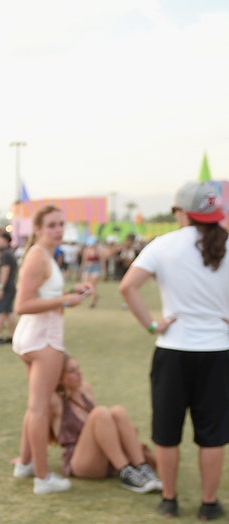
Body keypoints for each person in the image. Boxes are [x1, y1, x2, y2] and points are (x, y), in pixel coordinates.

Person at [119, 181, 228, 520]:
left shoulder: (163, 245)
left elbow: (127, 287)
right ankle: (209, 504)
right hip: (219, 351)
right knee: (213, 435)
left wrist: (152, 325)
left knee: (167, 431)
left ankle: (169, 499)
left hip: (173, 350)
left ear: (182, 212)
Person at [11, 205, 93, 494]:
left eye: (61, 224)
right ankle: (42, 479)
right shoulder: (37, 256)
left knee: (36, 405)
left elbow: (44, 295)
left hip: (37, 337)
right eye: (52, 225)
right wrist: (64, 301)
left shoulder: (45, 255)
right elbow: (22, 305)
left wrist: (69, 294)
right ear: (37, 228)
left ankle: (25, 463)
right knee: (40, 408)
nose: (58, 230)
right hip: (42, 340)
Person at [47, 354, 161, 493]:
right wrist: (26, 458)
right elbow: (34, 419)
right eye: (71, 371)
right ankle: (126, 474)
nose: (79, 373)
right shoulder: (54, 400)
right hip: (79, 461)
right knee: (100, 413)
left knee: (118, 411)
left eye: (78, 368)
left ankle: (142, 468)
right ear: (59, 378)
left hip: (104, 457)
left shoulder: (85, 389)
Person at [0, 231, 17, 344]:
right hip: (11, 286)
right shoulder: (10, 253)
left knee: (0, 311)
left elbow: (5, 271)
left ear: (5, 241)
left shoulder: (5, 254)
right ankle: (11, 335)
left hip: (5, 287)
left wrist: (0, 288)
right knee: (9, 311)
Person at [79, 236, 103, 307]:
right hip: (88, 268)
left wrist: (103, 270)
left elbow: (102, 261)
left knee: (92, 285)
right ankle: (94, 296)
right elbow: (84, 261)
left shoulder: (98, 251)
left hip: (96, 268)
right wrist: (81, 270)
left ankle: (92, 301)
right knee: (85, 285)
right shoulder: (86, 250)